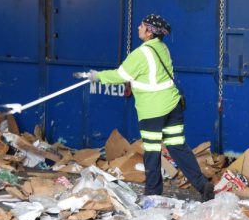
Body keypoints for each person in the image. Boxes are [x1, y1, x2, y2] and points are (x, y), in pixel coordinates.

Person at [80, 14, 214, 201]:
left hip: (153, 111)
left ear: (150, 32)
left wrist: (97, 76)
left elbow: (120, 75)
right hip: (173, 106)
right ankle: (203, 185)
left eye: (142, 26)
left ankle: (152, 193)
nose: (138, 28)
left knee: (152, 150)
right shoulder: (163, 48)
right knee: (178, 147)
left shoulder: (141, 53)